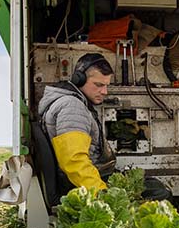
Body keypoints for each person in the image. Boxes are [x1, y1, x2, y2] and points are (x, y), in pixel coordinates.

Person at [38, 52, 170, 201]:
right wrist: (103, 195)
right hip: (81, 187)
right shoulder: (72, 107)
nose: (104, 92)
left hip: (89, 179)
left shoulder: (72, 102)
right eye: (98, 85)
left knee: (151, 185)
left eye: (106, 86)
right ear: (79, 80)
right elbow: (74, 161)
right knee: (158, 192)